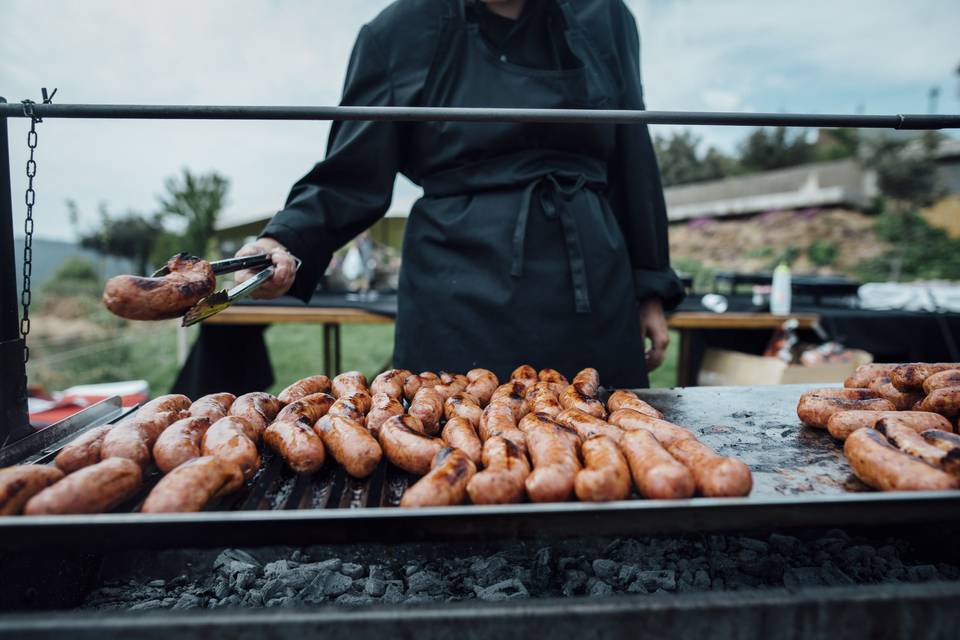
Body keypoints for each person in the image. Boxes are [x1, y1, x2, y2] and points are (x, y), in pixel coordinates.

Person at [234, 0, 684, 387]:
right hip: (457, 297)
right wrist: (285, 239)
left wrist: (650, 284)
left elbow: (633, 154)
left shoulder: (604, 15)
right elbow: (350, 172)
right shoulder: (398, 32)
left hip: (590, 293)